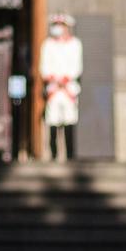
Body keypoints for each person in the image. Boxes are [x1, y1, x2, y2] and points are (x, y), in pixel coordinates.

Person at [40, 13, 83, 161]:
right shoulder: (48, 44)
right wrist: (54, 80)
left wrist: (64, 80)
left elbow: (76, 67)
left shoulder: (75, 44)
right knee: (52, 120)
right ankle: (53, 154)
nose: (57, 28)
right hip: (53, 89)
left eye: (60, 25)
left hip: (68, 88)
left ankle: (70, 155)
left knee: (69, 120)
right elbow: (44, 68)